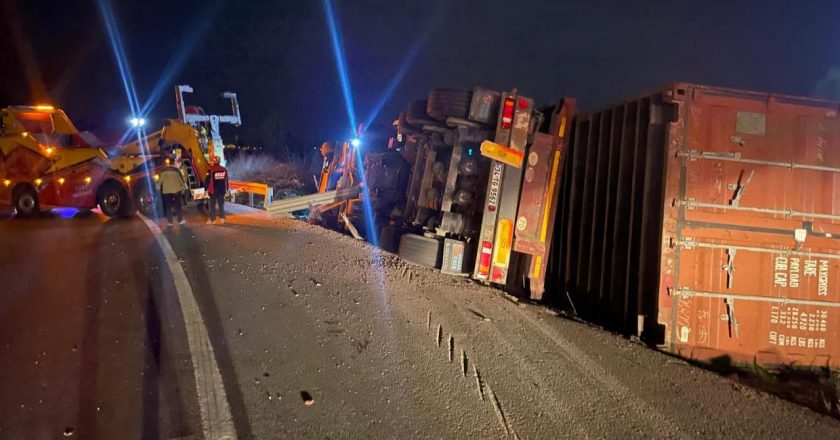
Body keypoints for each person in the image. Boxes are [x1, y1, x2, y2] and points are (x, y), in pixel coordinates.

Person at [159, 156, 187, 226]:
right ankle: (179, 220)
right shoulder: (177, 170)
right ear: (174, 162)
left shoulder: (163, 170)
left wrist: (158, 189)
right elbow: (181, 181)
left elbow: (159, 181)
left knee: (168, 206)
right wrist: (184, 188)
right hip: (176, 191)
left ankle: (170, 222)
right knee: (178, 206)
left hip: (166, 192)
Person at [205, 155, 229, 224]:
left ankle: (213, 220)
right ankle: (222, 219)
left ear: (214, 161)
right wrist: (226, 189)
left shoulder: (211, 170)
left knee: (212, 206)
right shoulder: (224, 169)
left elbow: (207, 180)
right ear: (220, 161)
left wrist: (205, 189)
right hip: (221, 191)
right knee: (221, 205)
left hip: (213, 191)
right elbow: (226, 180)